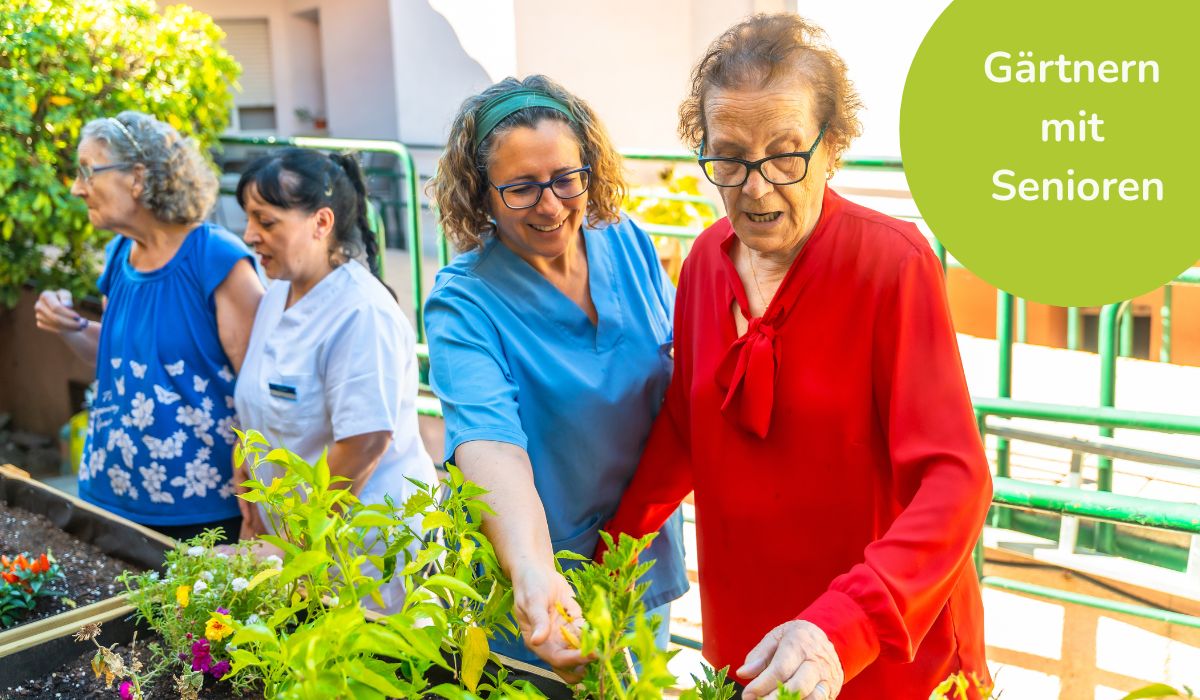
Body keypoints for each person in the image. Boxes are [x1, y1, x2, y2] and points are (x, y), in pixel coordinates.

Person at [602, 14, 992, 700]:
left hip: (879, 652)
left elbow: (954, 483)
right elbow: (686, 431)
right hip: (754, 643)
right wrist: (606, 560)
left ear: (832, 146)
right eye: (728, 156)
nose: (755, 186)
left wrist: (842, 627)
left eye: (786, 154)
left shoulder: (891, 265)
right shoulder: (702, 264)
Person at [424, 75, 688, 673]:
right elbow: (487, 440)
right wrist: (534, 568)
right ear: (481, 195)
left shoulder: (627, 243)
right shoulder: (464, 301)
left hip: (637, 553)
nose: (550, 205)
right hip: (543, 580)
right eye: (520, 188)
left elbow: (684, 364)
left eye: (566, 179)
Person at [34, 111, 263, 543]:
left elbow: (259, 388)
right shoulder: (121, 253)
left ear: (137, 178)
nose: (77, 187)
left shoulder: (215, 257)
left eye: (88, 171)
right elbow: (118, 357)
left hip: (201, 511)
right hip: (110, 499)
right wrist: (71, 326)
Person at [232, 147, 435, 611]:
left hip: (363, 551)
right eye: (248, 219)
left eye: (266, 222)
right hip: (299, 542)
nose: (249, 236)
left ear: (321, 223)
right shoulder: (279, 291)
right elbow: (263, 396)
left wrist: (297, 547)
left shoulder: (361, 314)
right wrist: (246, 467)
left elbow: (364, 443)